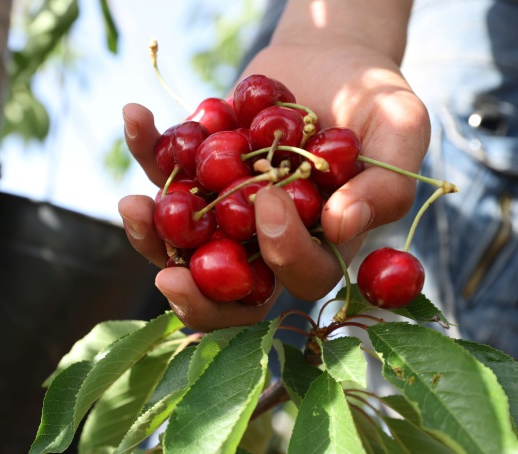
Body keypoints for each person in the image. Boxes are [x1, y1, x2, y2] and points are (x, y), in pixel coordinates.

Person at [118, 0, 518, 358]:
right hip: (295, 22)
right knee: (255, 350)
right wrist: (320, 33)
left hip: (450, 28)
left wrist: (339, 30)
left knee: (414, 385)